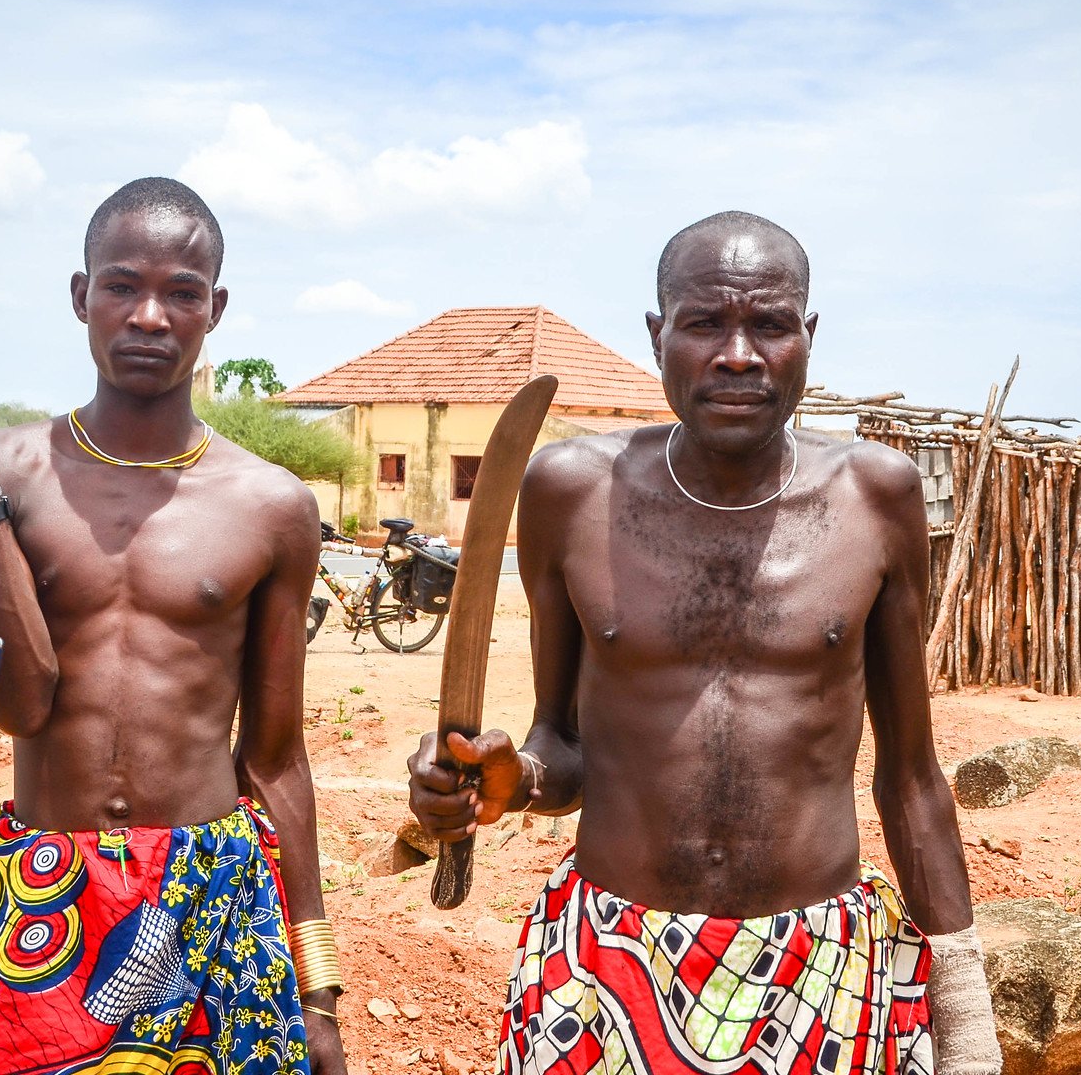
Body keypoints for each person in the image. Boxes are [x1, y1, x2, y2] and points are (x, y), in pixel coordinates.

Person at [406, 211, 1001, 1075]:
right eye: (704, 323)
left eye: (769, 324)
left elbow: (910, 778)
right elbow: (562, 744)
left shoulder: (875, 496)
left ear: (808, 335)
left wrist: (965, 1015)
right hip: (609, 968)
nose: (738, 354)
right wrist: (515, 780)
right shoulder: (574, 493)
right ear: (657, 335)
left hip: (820, 973)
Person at [0, 177, 345, 1075]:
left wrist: (318, 991)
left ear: (215, 309)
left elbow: (276, 759)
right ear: (82, 297)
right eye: (122, 285)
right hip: (42, 888)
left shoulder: (272, 505)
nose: (150, 315)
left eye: (182, 292)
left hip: (210, 890)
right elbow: (24, 705)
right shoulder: (15, 472)